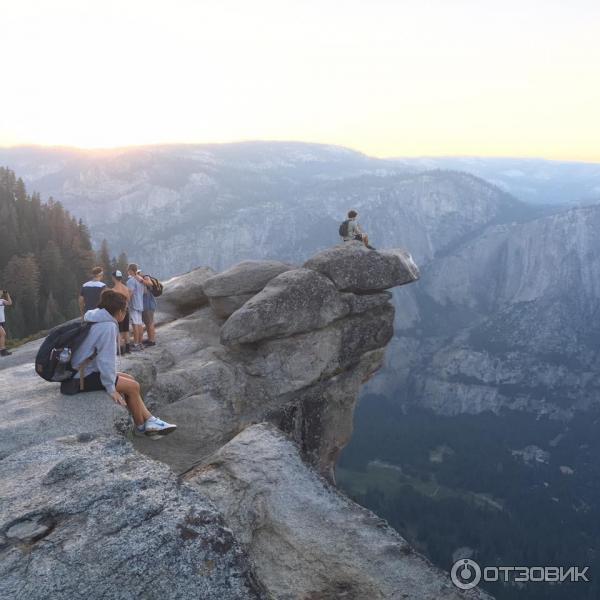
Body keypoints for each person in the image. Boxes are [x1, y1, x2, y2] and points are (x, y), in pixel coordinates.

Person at [64, 289, 176, 437]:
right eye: (125, 310)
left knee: (129, 379)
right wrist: (111, 388)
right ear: (118, 312)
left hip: (78, 371)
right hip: (80, 378)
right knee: (133, 386)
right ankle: (143, 428)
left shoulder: (94, 317)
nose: (125, 314)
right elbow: (106, 360)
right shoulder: (108, 326)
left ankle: (150, 420)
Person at [126, 263, 146, 352]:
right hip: (140, 304)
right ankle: (141, 343)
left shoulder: (130, 281)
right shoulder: (140, 279)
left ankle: (136, 344)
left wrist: (126, 302)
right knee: (140, 324)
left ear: (130, 271)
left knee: (135, 325)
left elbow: (130, 292)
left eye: (128, 270)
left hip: (133, 304)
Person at [111, 270, 132, 353]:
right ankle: (128, 349)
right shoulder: (126, 288)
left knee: (119, 331)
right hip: (125, 310)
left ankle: (121, 350)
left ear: (113, 278)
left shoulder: (113, 290)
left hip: (117, 312)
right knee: (126, 330)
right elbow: (129, 299)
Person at [142, 274, 157, 347]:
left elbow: (144, 292)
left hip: (148, 306)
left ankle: (151, 340)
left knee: (149, 323)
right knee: (150, 323)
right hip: (150, 305)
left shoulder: (145, 280)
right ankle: (151, 339)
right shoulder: (146, 280)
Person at [0, 290, 13, 357]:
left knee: (1, 336)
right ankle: (2, 351)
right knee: (3, 334)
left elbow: (10, 303)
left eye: (1, 292)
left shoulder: (2, 300)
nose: (1, 293)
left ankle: (2, 350)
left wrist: (7, 294)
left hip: (2, 321)